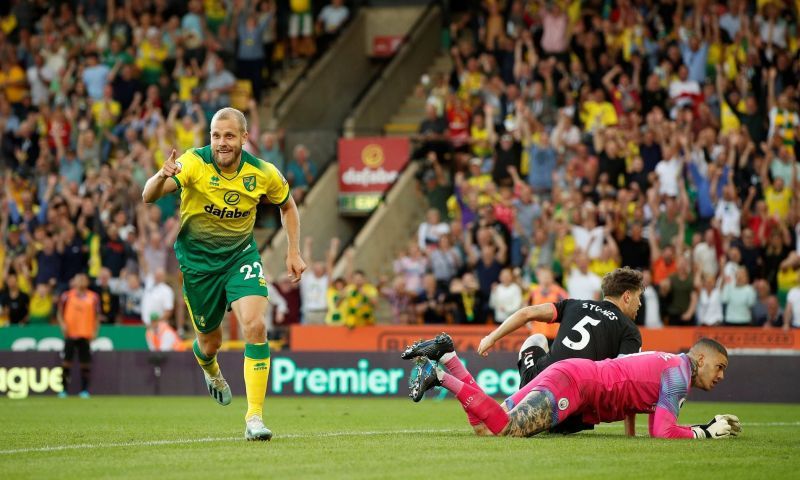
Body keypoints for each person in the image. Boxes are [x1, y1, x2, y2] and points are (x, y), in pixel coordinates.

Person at [142, 106, 306, 441]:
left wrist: (293, 251)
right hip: (199, 267)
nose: (222, 142)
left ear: (245, 138)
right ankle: (209, 368)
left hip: (239, 257)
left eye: (229, 136)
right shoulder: (193, 163)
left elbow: (287, 205)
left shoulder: (263, 172)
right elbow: (148, 196)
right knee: (210, 342)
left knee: (256, 324)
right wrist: (162, 175)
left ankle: (254, 417)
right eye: (216, 135)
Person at [405, 266, 643, 433]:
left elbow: (527, 312)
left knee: (536, 339)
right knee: (494, 428)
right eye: (639, 297)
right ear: (627, 296)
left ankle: (449, 357)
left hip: (543, 375)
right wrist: (627, 431)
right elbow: (625, 382)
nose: (640, 304)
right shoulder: (629, 330)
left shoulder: (575, 304)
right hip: (569, 398)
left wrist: (491, 337)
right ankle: (440, 376)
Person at [409, 337, 740, 439]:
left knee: (486, 426)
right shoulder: (679, 377)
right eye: (720, 367)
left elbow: (634, 386)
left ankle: (450, 357)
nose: (721, 375)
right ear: (699, 357)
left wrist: (630, 433)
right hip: (577, 385)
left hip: (573, 373)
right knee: (506, 429)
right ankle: (439, 377)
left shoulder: (668, 360)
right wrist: (706, 432)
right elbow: (664, 431)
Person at [57, 273, 101, 399]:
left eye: (83, 279)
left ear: (87, 282)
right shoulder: (66, 296)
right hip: (70, 333)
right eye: (78, 279)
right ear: (74, 282)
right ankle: (63, 390)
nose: (81, 281)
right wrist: (62, 325)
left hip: (85, 333)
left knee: (85, 364)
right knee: (66, 362)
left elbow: (97, 316)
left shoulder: (93, 297)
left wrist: (95, 331)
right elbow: (59, 313)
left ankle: (84, 391)